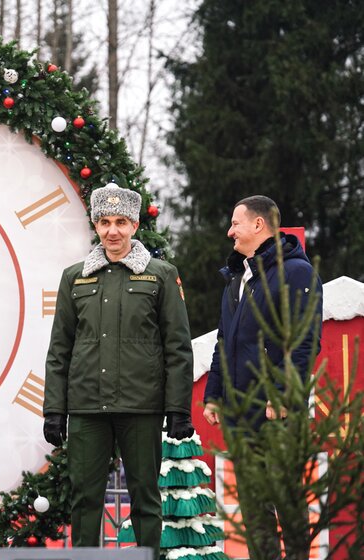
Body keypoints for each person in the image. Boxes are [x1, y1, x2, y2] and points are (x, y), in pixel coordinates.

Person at [44, 184, 195, 558]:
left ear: (135, 224)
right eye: (105, 222)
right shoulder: (74, 278)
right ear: (95, 225)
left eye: (122, 222)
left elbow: (178, 346)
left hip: (141, 407)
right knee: (85, 502)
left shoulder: (160, 276)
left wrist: (178, 408)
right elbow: (59, 350)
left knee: (145, 497)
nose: (113, 231)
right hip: (86, 409)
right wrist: (54, 410)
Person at [202, 195, 322, 558]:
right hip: (241, 412)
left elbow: (303, 341)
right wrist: (213, 393)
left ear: (258, 225)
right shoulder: (237, 278)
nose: (229, 231)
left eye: (235, 223)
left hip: (277, 413)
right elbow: (225, 340)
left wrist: (283, 393)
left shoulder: (296, 273)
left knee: (286, 502)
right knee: (255, 509)